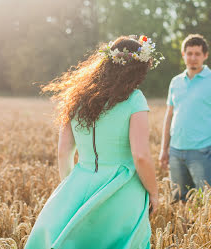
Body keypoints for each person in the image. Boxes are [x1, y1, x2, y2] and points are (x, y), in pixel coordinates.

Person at [24, 35, 163, 249]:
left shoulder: (77, 98)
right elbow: (141, 156)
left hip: (80, 179)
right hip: (124, 189)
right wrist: (153, 193)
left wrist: (71, 189)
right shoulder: (135, 99)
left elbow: (64, 152)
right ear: (137, 70)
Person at [159, 34, 211, 202]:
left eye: (197, 54)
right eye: (189, 53)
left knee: (208, 203)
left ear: (205, 56)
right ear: (183, 55)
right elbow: (169, 116)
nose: (193, 58)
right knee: (179, 201)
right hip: (176, 152)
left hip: (202, 152)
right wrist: (164, 149)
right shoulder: (175, 82)